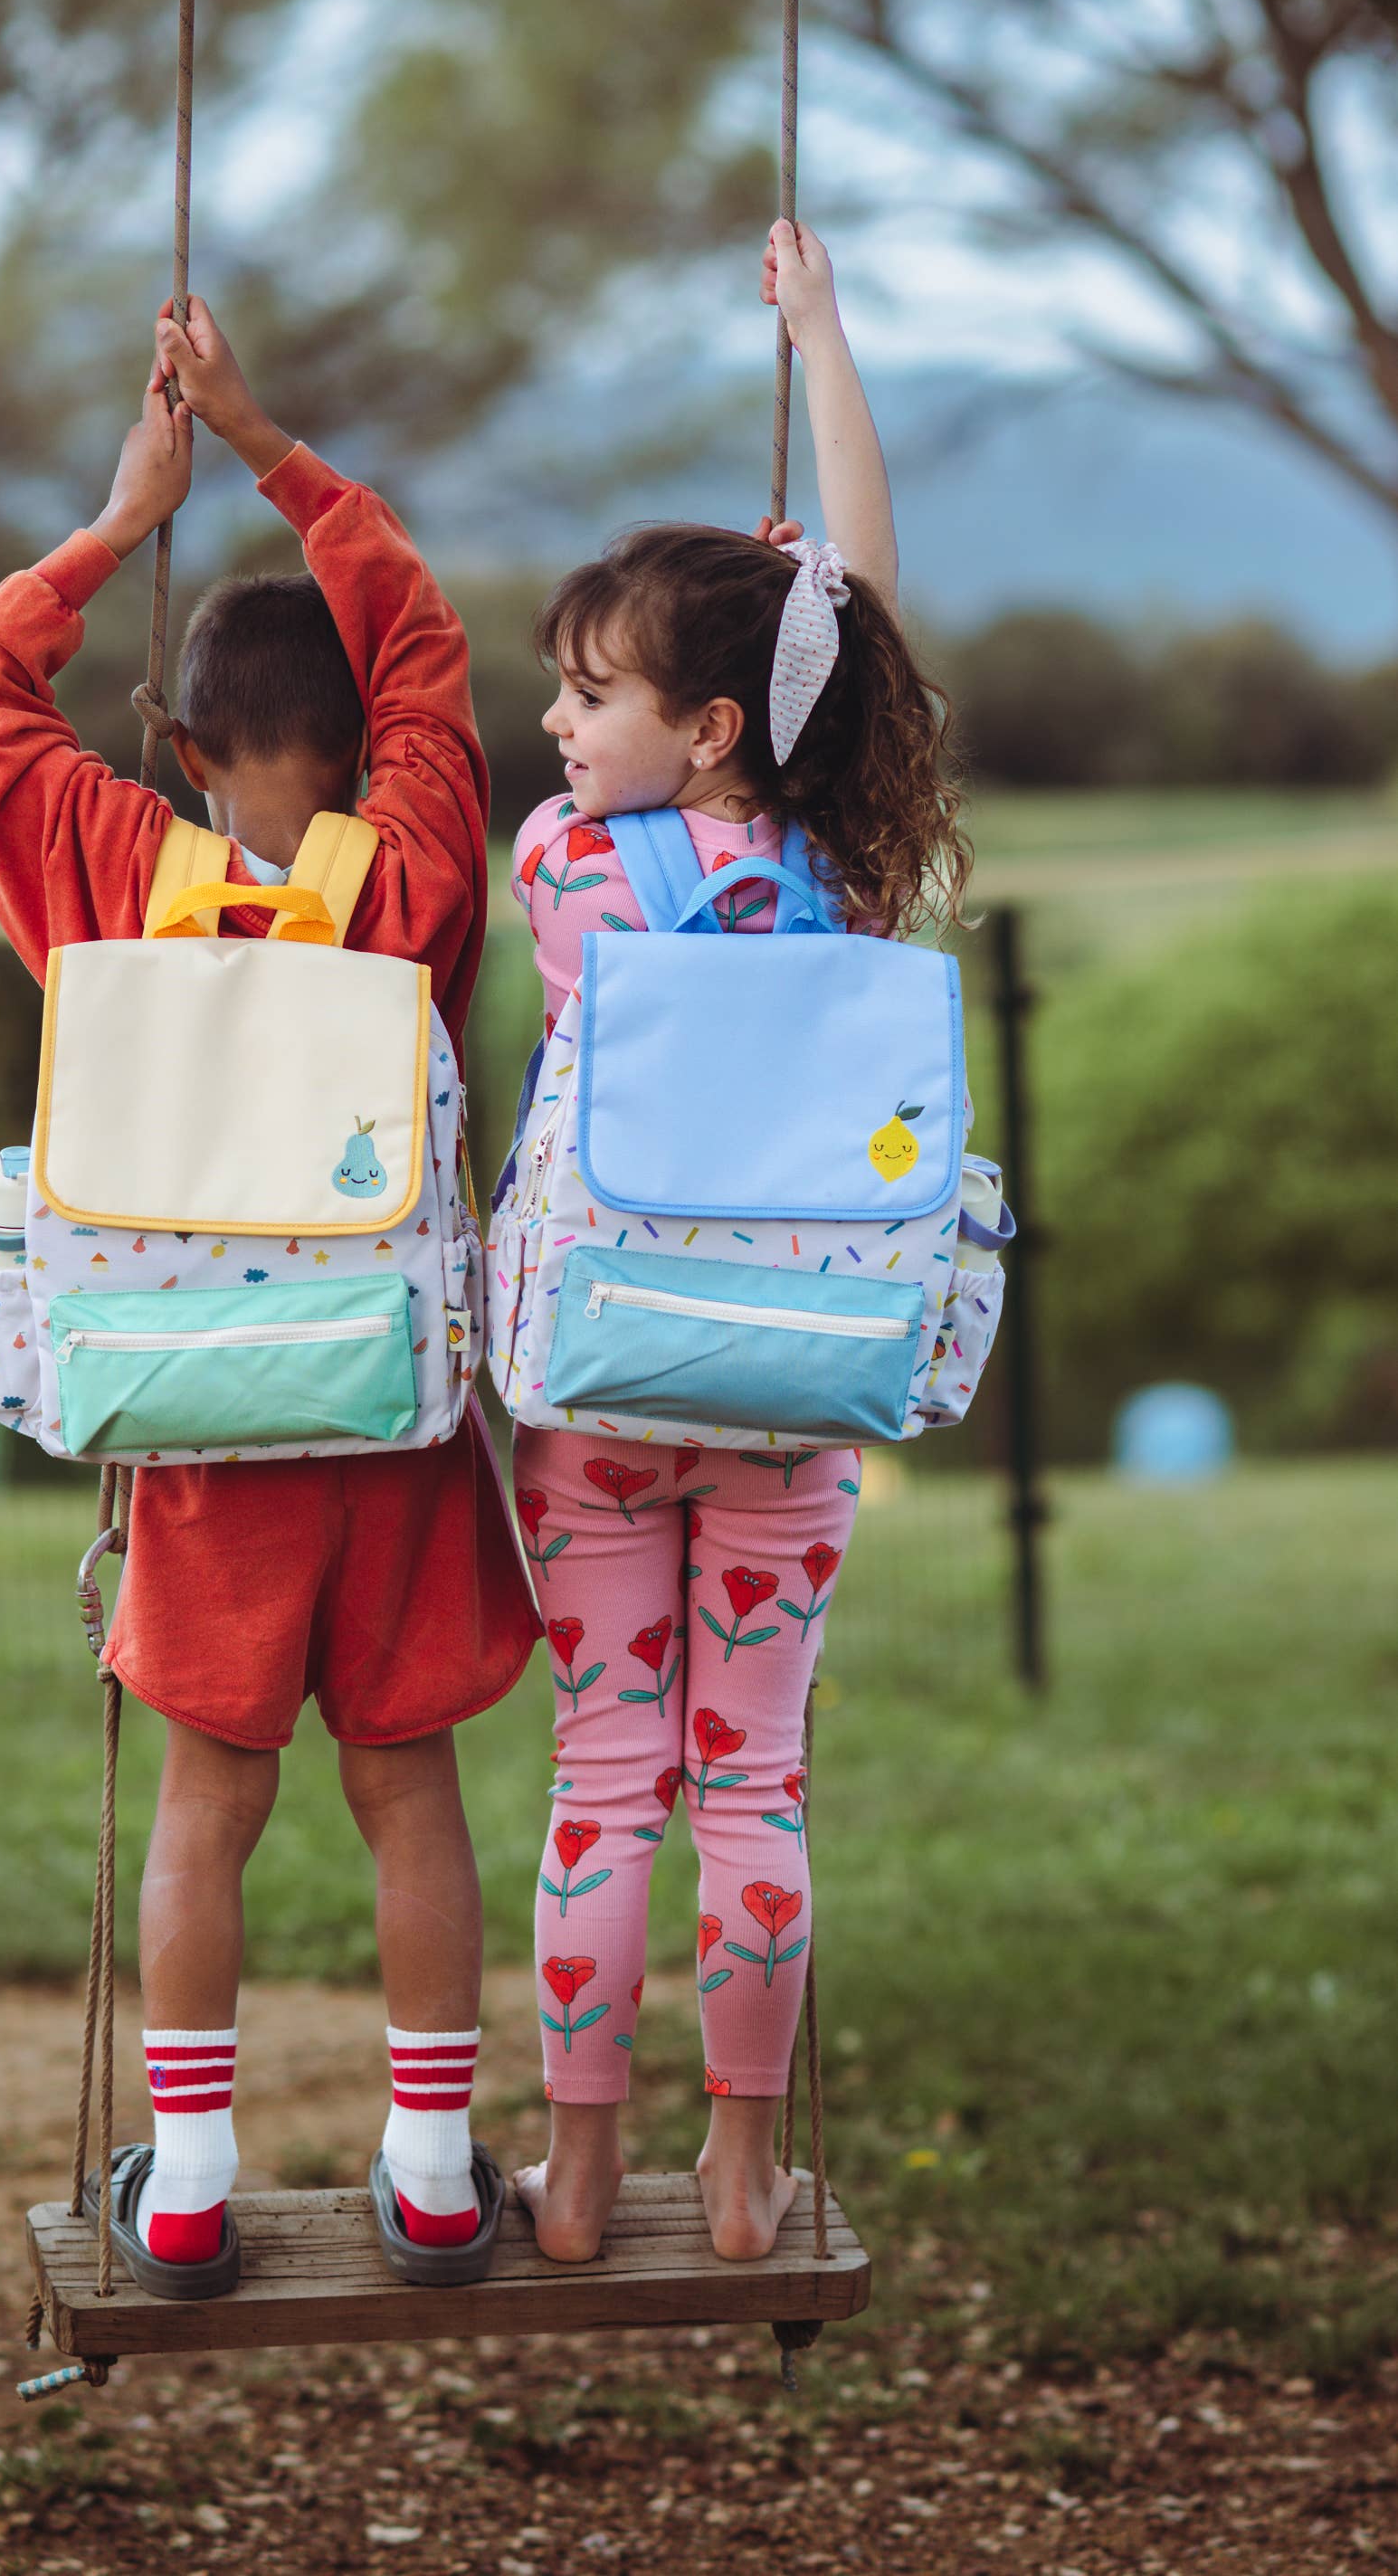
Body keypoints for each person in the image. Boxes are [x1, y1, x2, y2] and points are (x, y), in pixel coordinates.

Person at [0, 302, 538, 2290]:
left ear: (179, 751)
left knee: (205, 1803)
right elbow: (423, 633)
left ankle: (183, 2189)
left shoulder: (109, 868)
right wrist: (271, 442)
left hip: (195, 1425)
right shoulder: (412, 869)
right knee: (405, 1790)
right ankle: (432, 2172)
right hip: (392, 1418)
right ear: (367, 740)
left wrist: (119, 520)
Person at [508, 219, 969, 2265]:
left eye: (589, 694)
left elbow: (824, 621)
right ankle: (744, 2165)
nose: (555, 730)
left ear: (702, 725)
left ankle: (582, 2166)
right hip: (793, 1387)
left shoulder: (560, 873)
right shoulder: (834, 870)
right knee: (751, 1789)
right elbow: (855, 612)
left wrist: (795, 608)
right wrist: (821, 338)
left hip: (599, 1385)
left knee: (603, 1789)